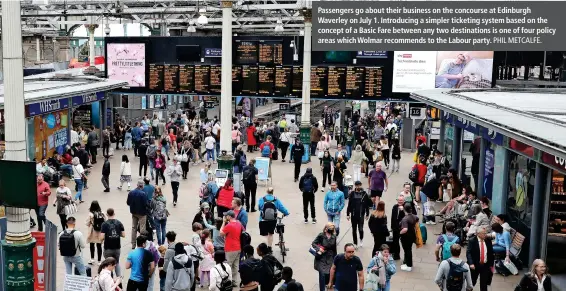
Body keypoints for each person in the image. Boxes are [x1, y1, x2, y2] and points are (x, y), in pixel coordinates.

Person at [466, 227, 494, 291]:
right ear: (478, 234)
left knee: (484, 284)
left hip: (485, 265)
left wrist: (491, 265)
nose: (485, 234)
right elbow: (468, 253)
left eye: (485, 233)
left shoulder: (488, 240)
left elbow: (491, 253)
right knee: (472, 282)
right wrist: (471, 263)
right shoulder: (472, 241)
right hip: (475, 265)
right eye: (484, 233)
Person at [100, 208, 126, 277]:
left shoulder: (104, 224)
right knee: (117, 263)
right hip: (117, 247)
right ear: (114, 214)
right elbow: (123, 235)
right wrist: (117, 234)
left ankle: (110, 279)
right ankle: (119, 279)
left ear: (107, 214)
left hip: (108, 248)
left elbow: (102, 237)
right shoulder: (119, 223)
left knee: (108, 264)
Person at [219, 211, 243, 286]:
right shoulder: (239, 223)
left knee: (228, 265)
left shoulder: (229, 225)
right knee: (235, 266)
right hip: (238, 247)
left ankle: (228, 282)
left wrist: (223, 222)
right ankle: (234, 281)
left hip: (230, 248)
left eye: (226, 216)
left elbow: (221, 233)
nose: (225, 217)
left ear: (229, 216)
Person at [311, 223, 337, 291]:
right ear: (326, 228)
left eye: (332, 229)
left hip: (330, 257)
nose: (331, 231)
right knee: (322, 274)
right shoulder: (321, 235)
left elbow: (334, 248)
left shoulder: (334, 236)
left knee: (329, 273)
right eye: (330, 229)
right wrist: (319, 249)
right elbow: (313, 243)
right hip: (321, 256)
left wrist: (335, 259)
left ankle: (329, 286)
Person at [347, 181, 371, 248]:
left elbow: (367, 205)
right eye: (357, 185)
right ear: (355, 186)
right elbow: (349, 204)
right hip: (354, 215)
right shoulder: (352, 193)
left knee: (360, 229)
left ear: (361, 185)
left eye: (359, 185)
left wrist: (367, 214)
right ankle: (355, 243)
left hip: (361, 215)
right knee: (354, 229)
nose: (358, 187)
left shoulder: (364, 194)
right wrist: (348, 214)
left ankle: (361, 239)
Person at [127, 180, 149, 249]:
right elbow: (146, 204)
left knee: (134, 228)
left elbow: (128, 202)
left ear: (137, 185)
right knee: (142, 229)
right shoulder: (143, 194)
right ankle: (141, 244)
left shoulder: (131, 192)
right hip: (142, 213)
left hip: (134, 212)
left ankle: (133, 244)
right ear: (142, 186)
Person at [399, 203, 419, 272]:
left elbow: (405, 229)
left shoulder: (405, 219)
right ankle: (408, 263)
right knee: (409, 250)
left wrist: (400, 233)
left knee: (407, 250)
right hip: (412, 236)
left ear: (404, 209)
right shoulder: (414, 216)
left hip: (406, 237)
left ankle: (409, 265)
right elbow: (417, 219)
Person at [86, 200, 105, 265]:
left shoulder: (91, 214)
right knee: (99, 245)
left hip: (92, 231)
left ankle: (92, 259)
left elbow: (87, 223)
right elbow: (105, 220)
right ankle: (99, 261)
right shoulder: (102, 213)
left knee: (92, 244)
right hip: (100, 231)